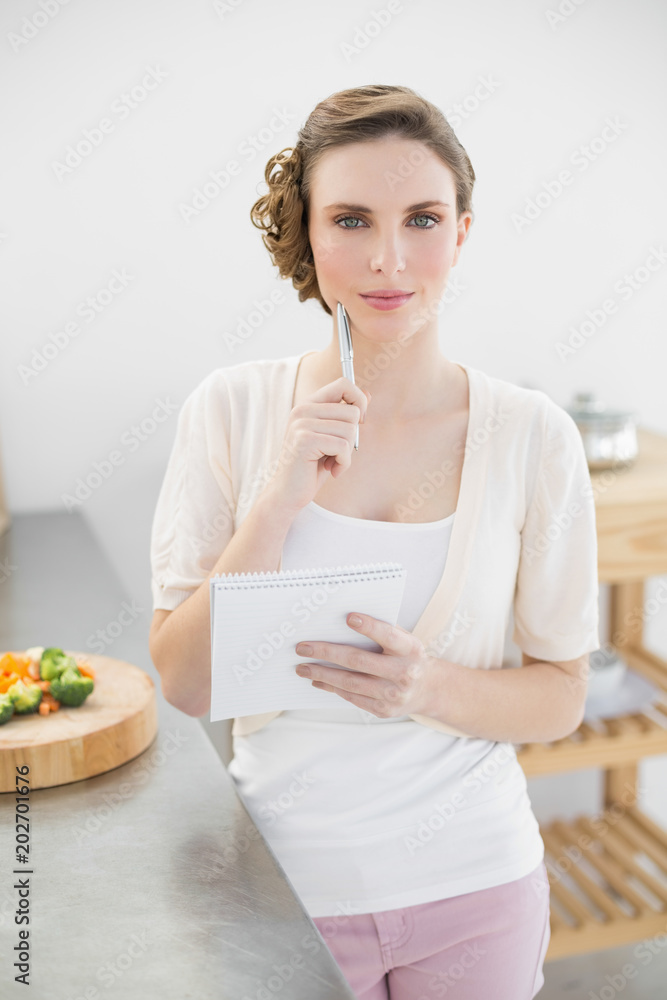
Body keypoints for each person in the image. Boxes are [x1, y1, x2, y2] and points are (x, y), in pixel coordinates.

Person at [149, 84, 600, 999]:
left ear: (462, 233)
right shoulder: (231, 411)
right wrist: (276, 503)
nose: (389, 259)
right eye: (351, 219)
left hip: (477, 890)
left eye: (423, 219)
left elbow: (559, 696)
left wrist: (425, 686)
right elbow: (190, 686)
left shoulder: (531, 435)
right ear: (307, 235)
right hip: (282, 894)